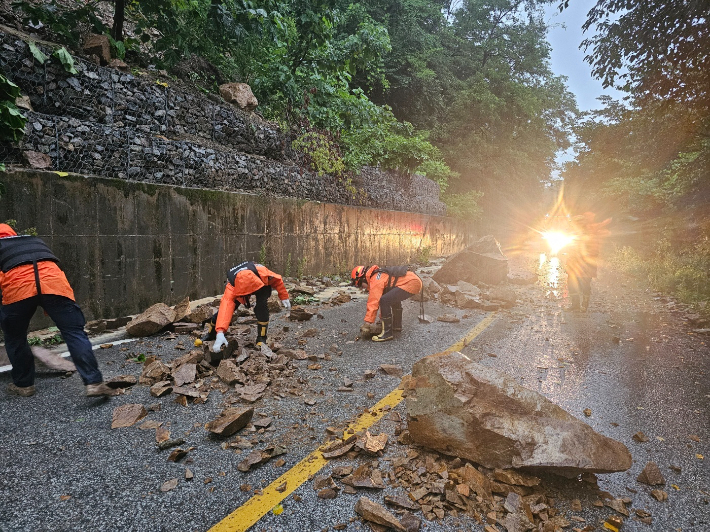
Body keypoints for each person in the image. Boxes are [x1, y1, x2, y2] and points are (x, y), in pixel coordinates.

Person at [0, 224, 115, 397]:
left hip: (18, 288)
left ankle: (24, 385)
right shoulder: (33, 240)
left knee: (15, 337)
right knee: (74, 332)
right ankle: (94, 382)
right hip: (54, 284)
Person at [207, 261, 291, 353]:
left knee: (261, 307)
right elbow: (225, 308)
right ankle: (211, 334)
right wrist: (220, 332)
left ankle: (261, 338)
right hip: (240, 289)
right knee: (224, 312)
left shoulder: (262, 272)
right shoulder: (231, 285)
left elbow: (277, 280)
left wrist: (283, 296)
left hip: (260, 284)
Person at [351, 264, 422, 342]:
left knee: (385, 300)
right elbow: (384, 296)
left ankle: (387, 333)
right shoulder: (378, 274)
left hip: (411, 283)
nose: (362, 288)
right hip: (413, 281)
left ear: (363, 279)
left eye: (360, 285)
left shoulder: (375, 279)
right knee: (390, 297)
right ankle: (396, 326)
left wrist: (367, 323)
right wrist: (382, 319)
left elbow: (373, 302)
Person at [565, 212, 610, 311]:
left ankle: (584, 305)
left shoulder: (590, 235)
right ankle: (575, 305)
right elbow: (569, 248)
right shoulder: (574, 235)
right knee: (572, 284)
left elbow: (595, 250)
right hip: (574, 265)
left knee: (585, 284)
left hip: (586, 264)